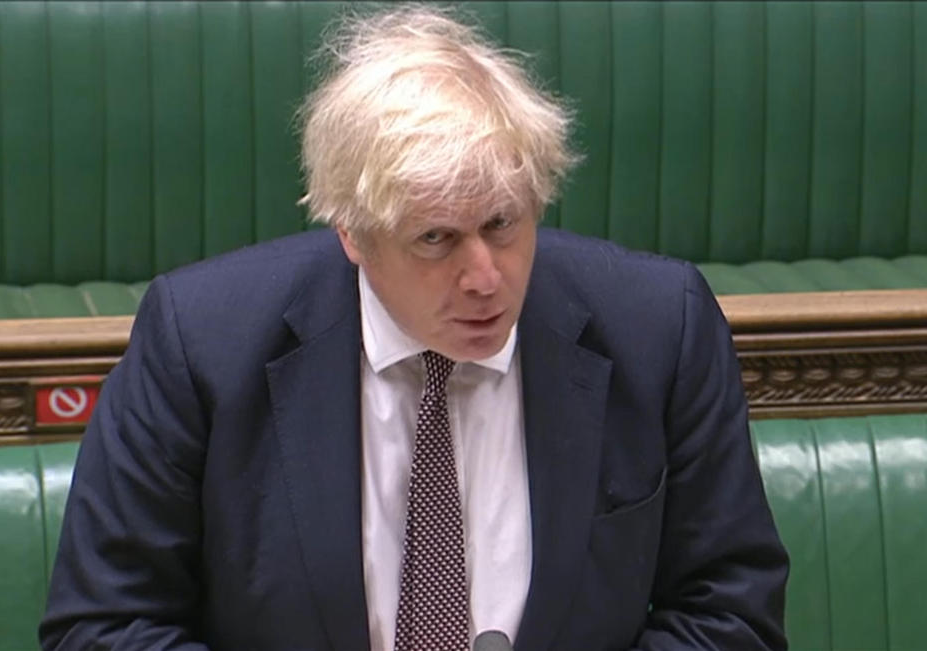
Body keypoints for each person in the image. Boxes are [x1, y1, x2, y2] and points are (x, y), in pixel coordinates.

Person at [40, 5, 788, 650]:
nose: (486, 276)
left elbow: (732, 610)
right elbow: (102, 623)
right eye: (435, 239)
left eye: (503, 223)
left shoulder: (661, 325)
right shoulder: (200, 341)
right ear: (352, 236)